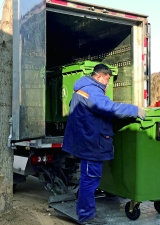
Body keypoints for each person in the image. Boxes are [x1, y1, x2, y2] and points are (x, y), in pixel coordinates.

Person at [62, 63, 146, 224]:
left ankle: (85, 211)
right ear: (99, 76)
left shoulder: (82, 89)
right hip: (91, 143)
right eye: (107, 80)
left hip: (87, 140)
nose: (107, 84)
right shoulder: (92, 90)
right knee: (90, 179)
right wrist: (134, 110)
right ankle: (86, 216)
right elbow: (107, 107)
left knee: (89, 178)